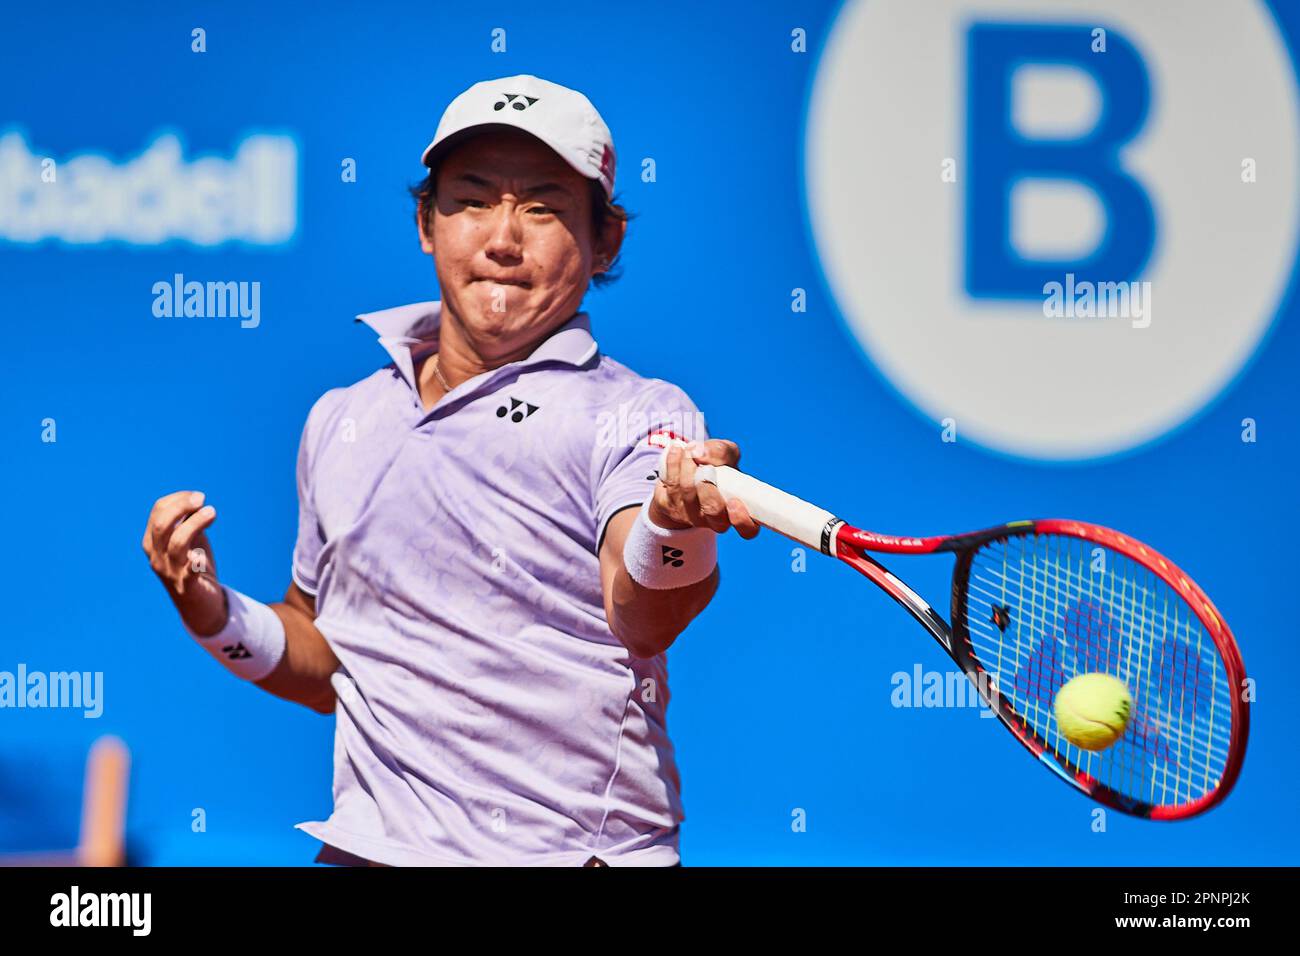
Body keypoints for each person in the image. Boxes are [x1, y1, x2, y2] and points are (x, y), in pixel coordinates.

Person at [141, 74, 758, 866]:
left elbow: (644, 614)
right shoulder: (341, 418)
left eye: (542, 206)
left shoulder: (639, 413)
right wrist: (213, 613)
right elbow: (327, 663)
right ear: (426, 223)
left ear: (606, 242)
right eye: (470, 200)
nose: (504, 237)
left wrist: (674, 528)